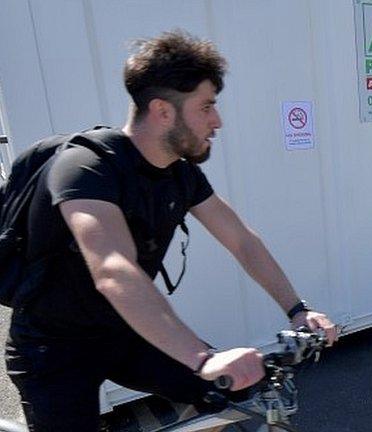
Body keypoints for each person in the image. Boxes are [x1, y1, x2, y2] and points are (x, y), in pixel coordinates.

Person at [4, 30, 338, 431]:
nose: (217, 121)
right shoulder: (85, 168)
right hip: (52, 348)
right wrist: (201, 358)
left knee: (229, 389)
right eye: (207, 107)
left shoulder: (180, 175)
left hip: (124, 332)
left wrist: (298, 310)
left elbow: (241, 240)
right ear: (163, 111)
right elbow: (112, 270)